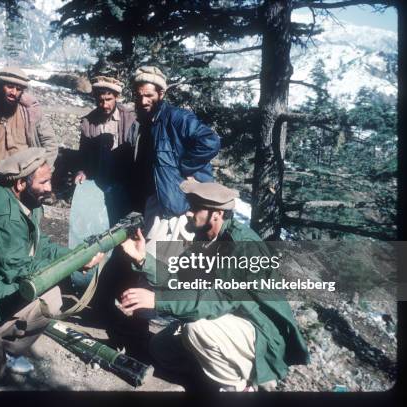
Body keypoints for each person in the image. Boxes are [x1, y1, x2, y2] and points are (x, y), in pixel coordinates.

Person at [118, 180, 310, 391]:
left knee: (197, 329)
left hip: (259, 332)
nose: (188, 213)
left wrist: (157, 300)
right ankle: (216, 372)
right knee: (161, 348)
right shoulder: (206, 239)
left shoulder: (242, 247)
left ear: (217, 214)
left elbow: (218, 299)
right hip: (229, 322)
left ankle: (241, 387)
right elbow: (179, 279)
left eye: (195, 208)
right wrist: (143, 260)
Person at [0, 147, 103, 379]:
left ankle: (2, 343)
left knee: (52, 297)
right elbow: (19, 271)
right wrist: (75, 265)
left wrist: (78, 255)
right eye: (44, 182)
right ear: (20, 184)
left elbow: (42, 245)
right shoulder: (3, 216)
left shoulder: (27, 202)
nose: (49, 187)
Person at [129, 66, 221, 255]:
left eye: (148, 95)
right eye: (139, 96)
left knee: (157, 262)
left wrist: (184, 168)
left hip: (177, 206)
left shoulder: (177, 118)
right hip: (160, 202)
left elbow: (211, 141)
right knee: (150, 258)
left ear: (161, 93)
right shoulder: (148, 122)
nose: (143, 101)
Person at [0, 66, 58, 193]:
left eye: (19, 89)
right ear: (0, 85)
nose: (13, 92)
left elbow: (50, 143)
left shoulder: (32, 112)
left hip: (25, 178)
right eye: (10, 87)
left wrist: (43, 171)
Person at [74, 75, 137, 185]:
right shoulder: (88, 122)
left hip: (125, 177)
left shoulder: (130, 119)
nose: (104, 105)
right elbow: (84, 153)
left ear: (116, 97)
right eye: (100, 101)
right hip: (98, 175)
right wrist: (82, 171)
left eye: (108, 100)